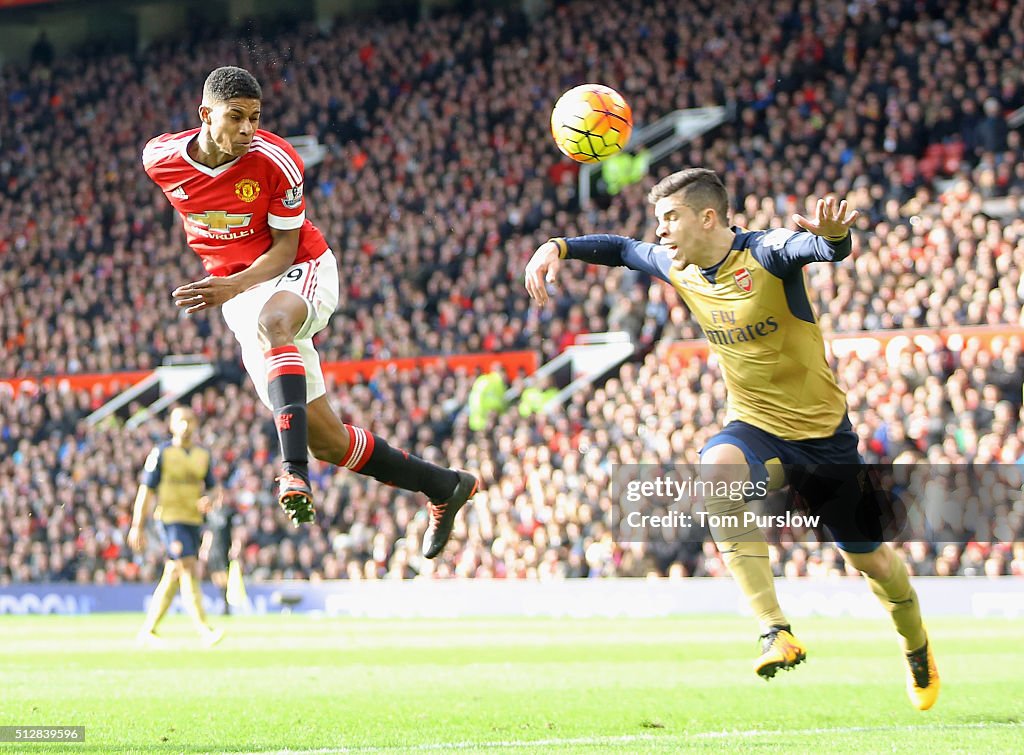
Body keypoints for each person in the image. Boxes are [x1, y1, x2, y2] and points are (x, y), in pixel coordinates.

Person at [524, 167, 940, 710]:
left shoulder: (765, 253)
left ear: (709, 217)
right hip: (755, 427)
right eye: (659, 220)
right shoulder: (678, 265)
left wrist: (835, 236)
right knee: (717, 472)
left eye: (670, 218)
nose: (662, 231)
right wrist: (557, 246)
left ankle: (916, 647)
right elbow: (623, 249)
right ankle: (776, 632)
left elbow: (819, 248)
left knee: (873, 563)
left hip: (822, 439)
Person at [142, 66, 476, 557]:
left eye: (254, 118)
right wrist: (229, 284)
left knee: (274, 323)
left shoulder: (277, 160)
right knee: (329, 441)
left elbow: (282, 250)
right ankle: (444, 486)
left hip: (300, 268)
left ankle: (293, 473)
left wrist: (229, 283)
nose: (247, 129)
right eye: (235, 117)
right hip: (238, 293)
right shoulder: (160, 158)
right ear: (205, 115)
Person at [127, 407, 224, 646]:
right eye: (181, 420)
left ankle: (148, 630)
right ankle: (203, 629)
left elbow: (213, 488)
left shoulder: (203, 455)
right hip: (170, 518)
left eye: (190, 420)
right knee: (188, 566)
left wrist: (210, 500)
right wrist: (137, 525)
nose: (186, 425)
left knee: (174, 571)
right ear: (171, 425)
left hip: (193, 519)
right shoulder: (162, 453)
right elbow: (146, 490)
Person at [199, 496, 241, 614]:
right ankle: (224, 601)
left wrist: (235, 545)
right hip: (214, 549)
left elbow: (234, 531)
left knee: (225, 575)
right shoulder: (211, 514)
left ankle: (226, 604)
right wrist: (205, 548)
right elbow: (208, 532)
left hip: (224, 548)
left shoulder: (229, 513)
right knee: (216, 576)